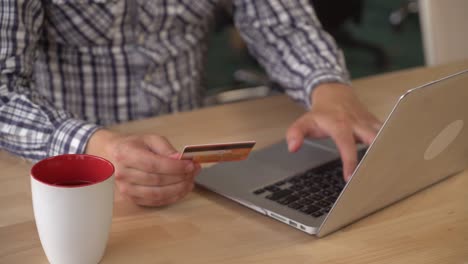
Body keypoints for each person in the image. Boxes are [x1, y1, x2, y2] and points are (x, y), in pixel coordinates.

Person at [0, 1, 381, 207]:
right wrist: (92, 146)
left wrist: (328, 86)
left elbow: (278, 19)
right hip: (65, 177)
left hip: (192, 170)